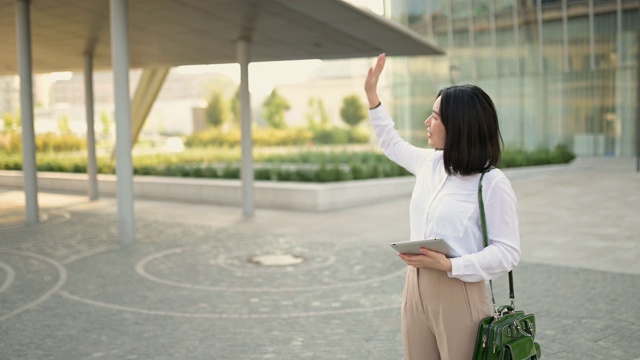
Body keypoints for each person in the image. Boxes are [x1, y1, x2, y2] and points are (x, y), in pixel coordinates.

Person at [364, 53, 521, 360]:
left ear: (459, 126)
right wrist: (372, 97)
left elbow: (508, 252)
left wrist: (451, 265)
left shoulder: (491, 182)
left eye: (435, 117)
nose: (427, 122)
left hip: (458, 290)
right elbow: (391, 143)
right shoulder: (431, 164)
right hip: (415, 287)